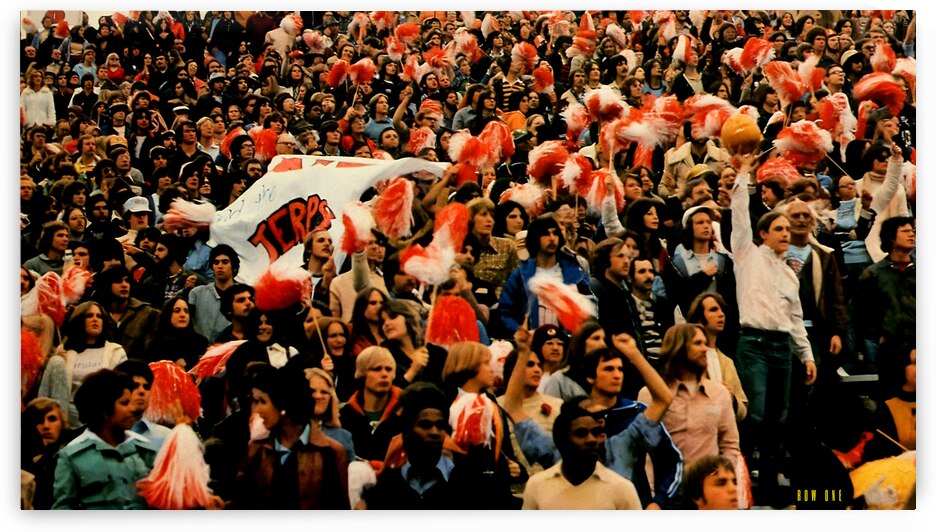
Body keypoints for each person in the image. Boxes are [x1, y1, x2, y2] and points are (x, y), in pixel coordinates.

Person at [730, 153, 816, 506]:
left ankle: (769, 482)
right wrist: (743, 176)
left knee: (779, 418)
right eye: (778, 229)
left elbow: (794, 319)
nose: (786, 233)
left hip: (782, 347)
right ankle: (744, 472)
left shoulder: (788, 273)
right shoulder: (746, 255)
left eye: (788, 229)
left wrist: (807, 354)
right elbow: (739, 220)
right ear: (763, 233)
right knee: (758, 412)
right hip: (754, 343)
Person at [230, 364, 350, 509]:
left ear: (283, 404)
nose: (256, 410)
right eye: (255, 402)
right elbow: (242, 504)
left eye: (262, 401)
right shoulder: (257, 449)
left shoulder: (331, 452)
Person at [637, 324, 741, 469]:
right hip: (664, 488)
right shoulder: (649, 394)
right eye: (698, 343)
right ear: (678, 348)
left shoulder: (719, 393)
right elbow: (641, 448)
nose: (705, 349)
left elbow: (730, 446)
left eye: (705, 343)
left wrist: (720, 476)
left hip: (705, 487)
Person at [51, 369, 158, 509]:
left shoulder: (145, 451)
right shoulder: (71, 456)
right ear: (104, 410)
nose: (132, 409)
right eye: (124, 403)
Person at [521, 400, 642, 510]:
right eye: (581, 434)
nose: (592, 440)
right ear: (561, 441)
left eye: (595, 433)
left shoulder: (622, 488)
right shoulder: (537, 485)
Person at [853, 216, 916, 397]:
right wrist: (878, 335)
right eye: (905, 231)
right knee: (890, 399)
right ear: (891, 238)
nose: (911, 234)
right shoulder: (874, 274)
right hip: (891, 349)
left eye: (912, 231)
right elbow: (861, 311)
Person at [38, 301, 128, 427]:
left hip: (101, 417)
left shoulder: (116, 352)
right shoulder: (64, 350)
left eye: (99, 316)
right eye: (89, 316)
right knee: (55, 362)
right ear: (80, 320)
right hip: (68, 416)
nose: (95, 319)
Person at [498, 216, 594, 334]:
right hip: (532, 342)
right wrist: (520, 331)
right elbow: (505, 311)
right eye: (546, 234)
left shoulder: (575, 272)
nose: (552, 238)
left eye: (555, 233)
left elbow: (590, 308)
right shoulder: (520, 275)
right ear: (535, 237)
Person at [686, 293, 749, 421]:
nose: (721, 314)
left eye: (721, 310)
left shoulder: (727, 362)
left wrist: (732, 399)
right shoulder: (686, 358)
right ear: (699, 318)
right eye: (714, 310)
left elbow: (743, 410)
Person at [338, 346, 403, 463]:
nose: (384, 374)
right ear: (362, 373)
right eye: (377, 369)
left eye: (389, 369)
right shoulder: (344, 415)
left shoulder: (405, 413)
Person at [94, 265, 161, 360]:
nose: (124, 285)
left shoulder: (148, 314)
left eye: (127, 281)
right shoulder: (97, 314)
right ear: (107, 285)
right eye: (118, 281)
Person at [114, 359, 172, 450]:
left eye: (147, 387)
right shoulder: (104, 433)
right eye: (135, 385)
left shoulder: (166, 436)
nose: (142, 391)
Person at [187, 244, 237, 342]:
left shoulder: (244, 294)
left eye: (225, 262)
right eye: (216, 262)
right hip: (202, 351)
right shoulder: (197, 293)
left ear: (233, 266)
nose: (220, 266)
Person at [142, 296, 210, 369]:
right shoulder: (155, 345)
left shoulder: (201, 342)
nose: (183, 315)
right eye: (177, 311)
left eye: (186, 311)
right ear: (168, 315)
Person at [305, 367, 355, 461]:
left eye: (324, 392)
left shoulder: (343, 437)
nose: (318, 396)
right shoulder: (287, 433)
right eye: (312, 391)